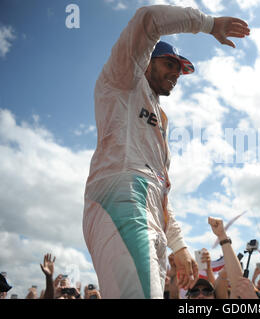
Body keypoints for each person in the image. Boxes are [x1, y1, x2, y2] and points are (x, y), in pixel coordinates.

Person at [82, 4, 250, 298]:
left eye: (179, 69)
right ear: (147, 60)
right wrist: (209, 24)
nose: (176, 73)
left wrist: (179, 244)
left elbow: (161, 187)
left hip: (150, 205)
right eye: (169, 63)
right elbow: (148, 20)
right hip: (120, 196)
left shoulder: (162, 117)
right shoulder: (124, 78)